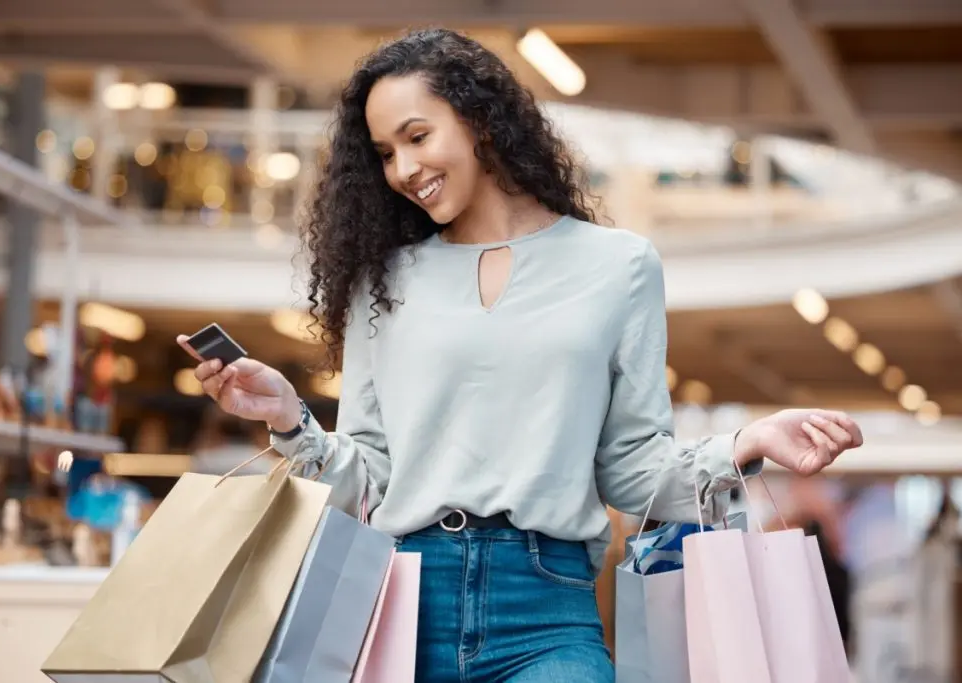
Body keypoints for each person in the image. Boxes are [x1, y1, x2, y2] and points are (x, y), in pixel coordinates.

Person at [178, 28, 864, 683]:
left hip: (549, 611)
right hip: (401, 603)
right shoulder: (382, 282)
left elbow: (634, 470)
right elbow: (370, 476)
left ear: (479, 120)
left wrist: (747, 442)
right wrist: (291, 421)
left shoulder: (618, 266)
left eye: (418, 136)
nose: (404, 169)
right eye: (386, 153)